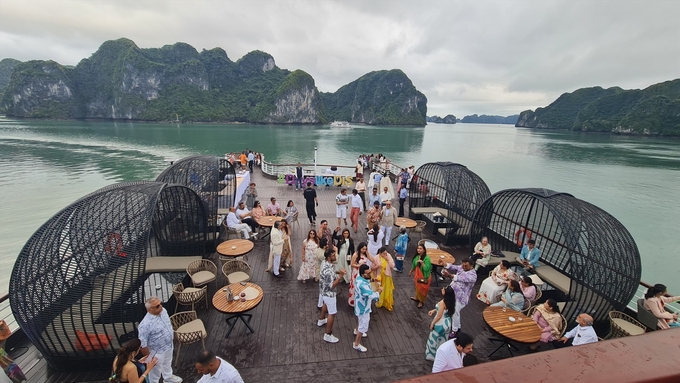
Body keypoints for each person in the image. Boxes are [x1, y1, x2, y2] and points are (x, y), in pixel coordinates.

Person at [138, 297, 182, 383]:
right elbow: (143, 344)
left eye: (160, 303)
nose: (161, 306)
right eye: (157, 306)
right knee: (155, 372)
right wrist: (150, 358)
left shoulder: (164, 311)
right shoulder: (145, 325)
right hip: (156, 352)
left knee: (168, 363)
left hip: (168, 345)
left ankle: (168, 377)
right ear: (149, 309)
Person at [442, 258, 477, 337]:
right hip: (453, 294)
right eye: (463, 265)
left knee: (455, 313)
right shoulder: (462, 267)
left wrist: (449, 275)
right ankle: (458, 327)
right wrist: (445, 264)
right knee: (455, 313)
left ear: (471, 266)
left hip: (461, 298)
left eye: (466, 266)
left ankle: (455, 331)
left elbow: (460, 279)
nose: (463, 267)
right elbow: (454, 267)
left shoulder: (473, 276)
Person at [317, 247, 346, 343]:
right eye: (333, 255)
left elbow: (330, 273)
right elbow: (332, 286)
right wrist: (340, 276)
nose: (335, 256)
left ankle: (321, 319)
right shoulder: (328, 271)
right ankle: (328, 334)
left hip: (323, 291)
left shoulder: (325, 263)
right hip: (329, 294)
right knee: (332, 313)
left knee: (325, 304)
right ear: (329, 257)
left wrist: (337, 272)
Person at [353, 264, 382, 353]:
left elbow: (367, 281)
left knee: (360, 320)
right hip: (363, 307)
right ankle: (356, 344)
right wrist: (379, 290)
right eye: (368, 273)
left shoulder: (359, 278)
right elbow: (372, 295)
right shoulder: (363, 286)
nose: (370, 274)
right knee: (363, 324)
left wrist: (373, 280)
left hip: (359, 304)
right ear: (363, 274)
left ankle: (356, 330)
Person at [425, 286, 456, 361]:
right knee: (443, 339)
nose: (442, 289)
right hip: (447, 322)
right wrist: (434, 310)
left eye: (443, 289)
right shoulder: (450, 301)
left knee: (434, 338)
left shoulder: (442, 303)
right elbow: (443, 310)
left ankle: (432, 355)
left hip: (440, 323)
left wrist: (432, 324)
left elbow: (439, 316)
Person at [349, 242, 377, 307]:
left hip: (363, 272)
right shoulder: (355, 254)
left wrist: (368, 253)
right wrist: (359, 265)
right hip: (357, 271)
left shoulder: (366, 254)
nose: (364, 250)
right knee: (355, 286)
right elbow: (352, 264)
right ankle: (353, 301)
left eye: (365, 249)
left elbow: (373, 260)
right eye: (363, 249)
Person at [409, 244, 432, 308]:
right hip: (418, 276)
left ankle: (421, 301)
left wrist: (422, 263)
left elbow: (426, 269)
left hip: (425, 277)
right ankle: (417, 297)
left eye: (420, 248)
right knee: (417, 287)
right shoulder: (416, 257)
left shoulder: (427, 259)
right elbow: (414, 264)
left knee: (423, 289)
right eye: (418, 248)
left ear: (424, 250)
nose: (418, 250)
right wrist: (411, 271)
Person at [375, 246, 395, 311]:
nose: (385, 255)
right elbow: (372, 267)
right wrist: (377, 266)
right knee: (380, 289)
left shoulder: (388, 256)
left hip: (387, 276)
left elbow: (392, 266)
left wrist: (388, 259)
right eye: (384, 253)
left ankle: (387, 302)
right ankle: (381, 301)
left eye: (386, 253)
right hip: (380, 276)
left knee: (387, 289)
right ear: (380, 253)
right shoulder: (377, 257)